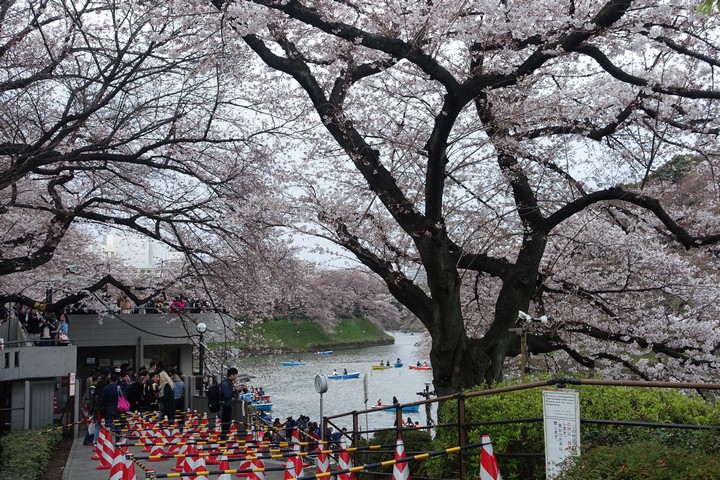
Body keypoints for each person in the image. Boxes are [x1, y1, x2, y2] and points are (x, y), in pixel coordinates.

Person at [99, 373, 127, 444]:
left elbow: (102, 398)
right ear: (117, 380)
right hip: (117, 408)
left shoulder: (106, 387)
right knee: (117, 424)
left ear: (110, 380)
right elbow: (125, 396)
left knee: (108, 424)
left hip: (108, 408)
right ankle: (117, 439)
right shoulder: (119, 387)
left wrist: (101, 406)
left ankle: (108, 440)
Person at [219, 367, 240, 440]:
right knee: (225, 426)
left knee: (227, 425)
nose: (236, 377)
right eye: (235, 375)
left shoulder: (229, 382)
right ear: (231, 375)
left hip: (228, 406)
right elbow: (227, 394)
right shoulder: (225, 383)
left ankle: (224, 441)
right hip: (225, 407)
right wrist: (235, 390)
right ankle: (222, 443)